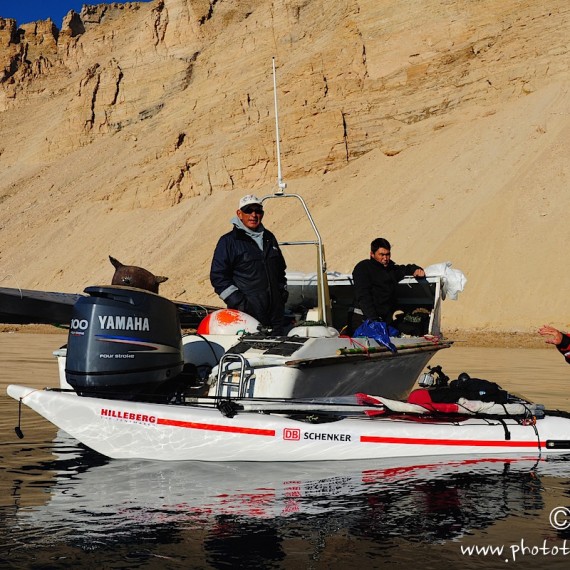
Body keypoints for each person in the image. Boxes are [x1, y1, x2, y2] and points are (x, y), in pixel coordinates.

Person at [210, 194, 288, 334]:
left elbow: (280, 269)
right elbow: (218, 277)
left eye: (258, 211)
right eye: (248, 210)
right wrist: (240, 303)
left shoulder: (269, 238)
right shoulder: (228, 242)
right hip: (247, 315)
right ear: (239, 214)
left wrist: (282, 293)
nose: (253, 215)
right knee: (252, 351)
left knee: (279, 351)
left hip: (275, 314)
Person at [348, 237, 425, 335]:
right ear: (372, 254)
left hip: (381, 322)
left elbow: (406, 269)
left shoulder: (391, 270)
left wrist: (416, 269)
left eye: (387, 254)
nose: (385, 258)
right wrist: (374, 321)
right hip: (362, 320)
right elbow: (363, 296)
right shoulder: (363, 268)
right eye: (381, 255)